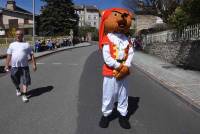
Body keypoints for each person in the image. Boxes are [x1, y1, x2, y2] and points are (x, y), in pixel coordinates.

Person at [98, 8, 134, 129]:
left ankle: (123, 115)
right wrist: (119, 66)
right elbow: (106, 57)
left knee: (123, 94)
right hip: (110, 70)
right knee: (109, 94)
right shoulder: (107, 38)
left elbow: (131, 53)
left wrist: (126, 66)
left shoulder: (126, 40)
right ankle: (106, 115)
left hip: (124, 70)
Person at [4, 30, 37, 103]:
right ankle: (17, 88)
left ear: (22, 35)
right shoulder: (12, 44)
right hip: (14, 67)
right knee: (15, 80)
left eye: (19, 34)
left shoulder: (26, 44)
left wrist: (34, 64)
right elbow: (9, 55)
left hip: (24, 67)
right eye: (16, 34)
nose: (18, 36)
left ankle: (24, 95)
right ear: (15, 36)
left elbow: (31, 55)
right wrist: (6, 65)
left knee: (25, 81)